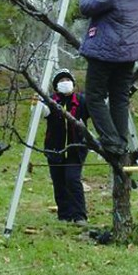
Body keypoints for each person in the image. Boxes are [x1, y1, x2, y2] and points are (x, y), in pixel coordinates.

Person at [79, 0, 138, 163]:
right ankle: (122, 141)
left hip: (106, 53)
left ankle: (111, 142)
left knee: (94, 97)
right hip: (128, 53)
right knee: (119, 97)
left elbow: (86, 7)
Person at [38, 68, 90, 226]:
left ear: (73, 83)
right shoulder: (51, 101)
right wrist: (37, 104)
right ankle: (64, 215)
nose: (64, 83)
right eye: (61, 81)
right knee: (59, 180)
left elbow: (94, 112)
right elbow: (43, 112)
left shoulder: (81, 100)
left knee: (72, 179)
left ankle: (79, 216)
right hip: (54, 148)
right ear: (56, 86)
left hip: (76, 148)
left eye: (67, 80)